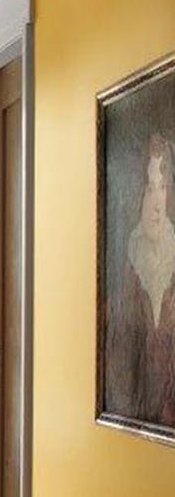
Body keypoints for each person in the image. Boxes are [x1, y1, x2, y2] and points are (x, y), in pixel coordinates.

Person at [106, 133, 175, 427]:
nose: (158, 203)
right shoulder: (123, 273)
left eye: (163, 187)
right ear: (137, 194)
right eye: (149, 189)